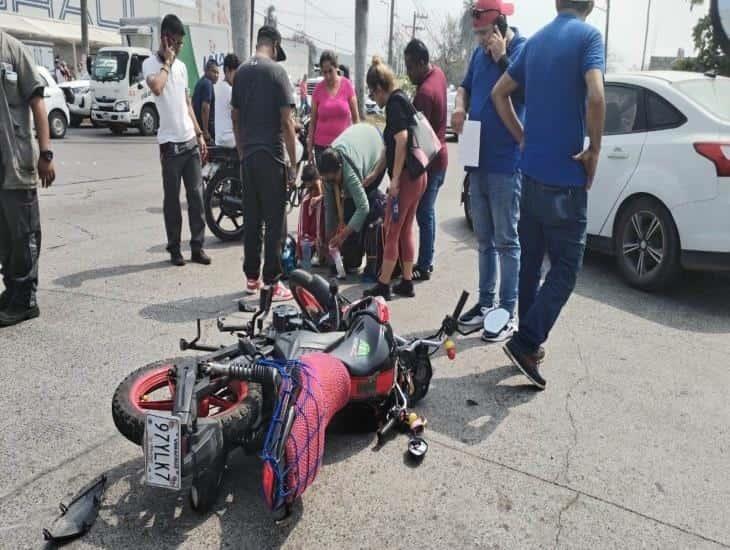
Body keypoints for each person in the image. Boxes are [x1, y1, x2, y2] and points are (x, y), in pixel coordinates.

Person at [492, 0, 606, 389]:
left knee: (530, 264)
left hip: (532, 177)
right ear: (589, 4)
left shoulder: (535, 42)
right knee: (566, 269)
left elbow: (499, 93)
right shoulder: (589, 37)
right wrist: (594, 150)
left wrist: (523, 138)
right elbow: (596, 95)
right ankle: (526, 342)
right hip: (566, 181)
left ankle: (526, 346)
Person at [452, 0, 527, 342]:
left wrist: (503, 58)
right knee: (483, 239)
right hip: (477, 156)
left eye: (485, 33)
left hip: (505, 160)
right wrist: (458, 105)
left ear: (500, 26)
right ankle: (485, 304)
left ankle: (507, 312)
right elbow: (466, 86)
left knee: (506, 240)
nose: (481, 40)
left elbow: (528, 91)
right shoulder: (478, 55)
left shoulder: (523, 48)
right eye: (478, 34)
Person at [231, 25, 298, 302]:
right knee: (274, 222)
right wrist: (294, 163)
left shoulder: (242, 72)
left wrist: (241, 150)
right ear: (275, 43)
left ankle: (251, 278)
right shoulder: (277, 72)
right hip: (271, 157)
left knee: (252, 218)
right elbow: (286, 122)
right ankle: (272, 281)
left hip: (248, 158)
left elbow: (235, 117)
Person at [142, 14, 211, 267]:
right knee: (172, 200)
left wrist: (200, 134)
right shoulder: (150, 64)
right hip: (170, 145)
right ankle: (174, 249)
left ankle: (197, 247)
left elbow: (187, 103)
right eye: (176, 43)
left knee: (196, 196)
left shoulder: (181, 68)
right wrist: (167, 62)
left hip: (189, 141)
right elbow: (157, 87)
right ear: (165, 39)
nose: (179, 48)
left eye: (181, 44)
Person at [0, 30, 56, 327]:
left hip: (17, 161)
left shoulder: (14, 50)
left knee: (24, 235)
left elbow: (38, 104)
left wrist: (45, 154)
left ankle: (25, 300)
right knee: (5, 238)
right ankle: (12, 291)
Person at [363, 57, 427, 301]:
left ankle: (383, 285)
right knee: (405, 229)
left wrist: (395, 180)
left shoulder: (394, 104)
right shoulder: (402, 99)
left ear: (379, 88)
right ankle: (407, 281)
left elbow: (400, 140)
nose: (374, 98)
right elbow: (389, 147)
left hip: (407, 179)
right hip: (418, 175)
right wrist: (377, 172)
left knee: (391, 229)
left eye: (372, 92)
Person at [404, 39, 448, 283]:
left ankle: (425, 264)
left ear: (422, 63)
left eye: (411, 67)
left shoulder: (424, 94)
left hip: (431, 162)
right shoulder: (438, 74)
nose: (408, 72)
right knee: (427, 212)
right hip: (440, 158)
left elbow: (419, 141)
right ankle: (425, 259)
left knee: (424, 213)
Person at [317, 123, 384, 274]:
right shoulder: (328, 173)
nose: (331, 183)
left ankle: (362, 255)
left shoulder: (350, 173)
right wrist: (329, 240)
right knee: (348, 208)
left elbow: (363, 207)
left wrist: (343, 235)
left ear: (340, 168)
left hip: (376, 147)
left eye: (334, 179)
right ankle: (351, 255)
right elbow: (330, 208)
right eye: (328, 180)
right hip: (359, 143)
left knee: (363, 204)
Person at [307, 51, 360, 167]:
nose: (327, 76)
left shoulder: (347, 86)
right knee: (325, 184)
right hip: (321, 148)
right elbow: (313, 122)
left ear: (336, 68)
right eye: (324, 72)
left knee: (343, 183)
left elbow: (356, 120)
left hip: (343, 147)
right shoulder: (318, 90)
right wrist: (309, 148)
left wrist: (358, 146)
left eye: (330, 71)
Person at [297, 164, 325, 267]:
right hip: (309, 235)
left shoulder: (322, 187)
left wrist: (319, 197)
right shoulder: (306, 196)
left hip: (319, 233)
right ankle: (309, 252)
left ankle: (318, 252)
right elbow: (302, 225)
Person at [214, 54, 240, 148]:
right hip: (229, 139)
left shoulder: (219, 87)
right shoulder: (229, 90)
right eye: (235, 74)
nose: (238, 78)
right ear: (227, 70)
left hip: (220, 138)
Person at [192, 59, 220, 144]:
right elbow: (205, 107)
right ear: (206, 71)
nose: (216, 75)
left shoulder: (200, 82)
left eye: (217, 73)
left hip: (198, 130)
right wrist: (206, 131)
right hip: (206, 131)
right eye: (213, 72)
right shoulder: (208, 83)